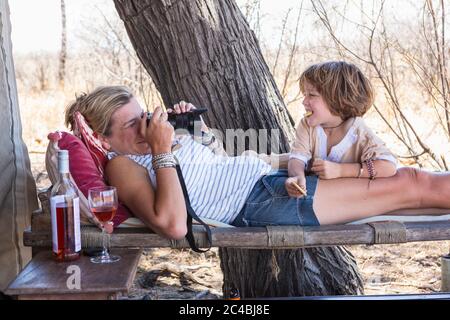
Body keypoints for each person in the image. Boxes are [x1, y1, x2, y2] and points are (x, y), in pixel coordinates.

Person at [65, 86, 450, 240]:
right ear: (104, 139)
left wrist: (194, 132)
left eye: (144, 114)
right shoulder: (122, 164)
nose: (146, 125)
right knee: (410, 183)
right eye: (131, 124)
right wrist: (163, 148)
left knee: (409, 194)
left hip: (268, 178)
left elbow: (214, 165)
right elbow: (172, 223)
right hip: (263, 201)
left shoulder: (155, 147)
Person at [286, 61, 397, 197]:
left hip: (346, 200)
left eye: (312, 95)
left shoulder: (358, 132)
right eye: (304, 94)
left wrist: (340, 170)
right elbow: (297, 158)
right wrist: (296, 177)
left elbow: (388, 166)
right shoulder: (307, 126)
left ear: (339, 99)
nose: (304, 101)